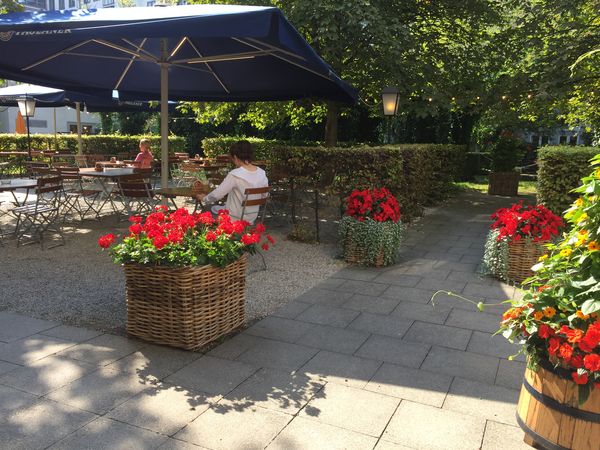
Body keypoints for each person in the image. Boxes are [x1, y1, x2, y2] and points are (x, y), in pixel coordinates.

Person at [196, 140, 268, 223]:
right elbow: (264, 196)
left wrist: (204, 198)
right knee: (218, 207)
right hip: (252, 217)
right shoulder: (261, 173)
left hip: (234, 217)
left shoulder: (235, 174)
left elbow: (217, 195)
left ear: (235, 157)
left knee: (207, 209)